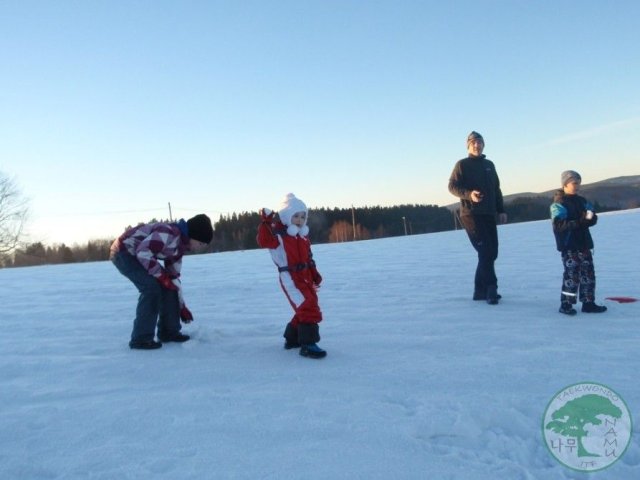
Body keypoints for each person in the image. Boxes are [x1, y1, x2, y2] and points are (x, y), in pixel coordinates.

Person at [110, 214, 214, 349]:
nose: (201, 247)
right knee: (151, 288)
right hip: (123, 251)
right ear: (193, 235)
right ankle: (141, 339)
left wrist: (182, 307)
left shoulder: (179, 248)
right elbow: (143, 251)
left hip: (138, 254)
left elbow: (173, 280)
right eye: (201, 243)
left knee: (169, 287)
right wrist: (161, 276)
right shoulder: (169, 234)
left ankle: (169, 332)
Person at [257, 193, 326, 359]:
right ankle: (308, 344)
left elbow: (308, 257)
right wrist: (266, 222)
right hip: (290, 277)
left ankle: (292, 338)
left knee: (308, 305)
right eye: (296, 216)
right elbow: (263, 240)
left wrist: (314, 273)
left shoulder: (302, 237)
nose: (300, 220)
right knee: (307, 306)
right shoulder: (278, 237)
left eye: (303, 216)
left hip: (305, 277)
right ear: (287, 217)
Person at [448, 131, 508, 304]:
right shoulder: (462, 165)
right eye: (473, 142)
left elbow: (496, 189)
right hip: (471, 214)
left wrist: (501, 209)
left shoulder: (489, 164)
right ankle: (491, 289)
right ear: (468, 145)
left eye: (480, 142)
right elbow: (452, 186)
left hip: (488, 213)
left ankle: (479, 291)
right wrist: (469, 194)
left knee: (491, 252)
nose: (477, 145)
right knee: (486, 251)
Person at [550, 170, 607, 315]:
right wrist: (579, 222)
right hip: (569, 245)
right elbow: (559, 225)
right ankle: (566, 304)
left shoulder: (582, 201)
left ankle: (588, 303)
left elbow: (590, 212)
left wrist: (590, 218)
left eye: (579, 183)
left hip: (584, 243)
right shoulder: (559, 204)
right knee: (572, 276)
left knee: (588, 274)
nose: (577, 186)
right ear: (565, 184)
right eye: (574, 183)